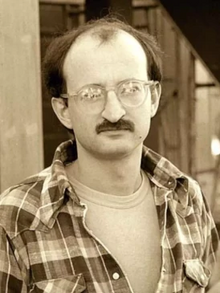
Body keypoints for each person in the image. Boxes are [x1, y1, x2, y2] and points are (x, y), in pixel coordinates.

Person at [0, 16, 219, 293]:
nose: (113, 112)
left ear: (152, 98)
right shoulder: (15, 217)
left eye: (130, 89)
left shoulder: (187, 198)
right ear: (63, 110)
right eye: (92, 94)